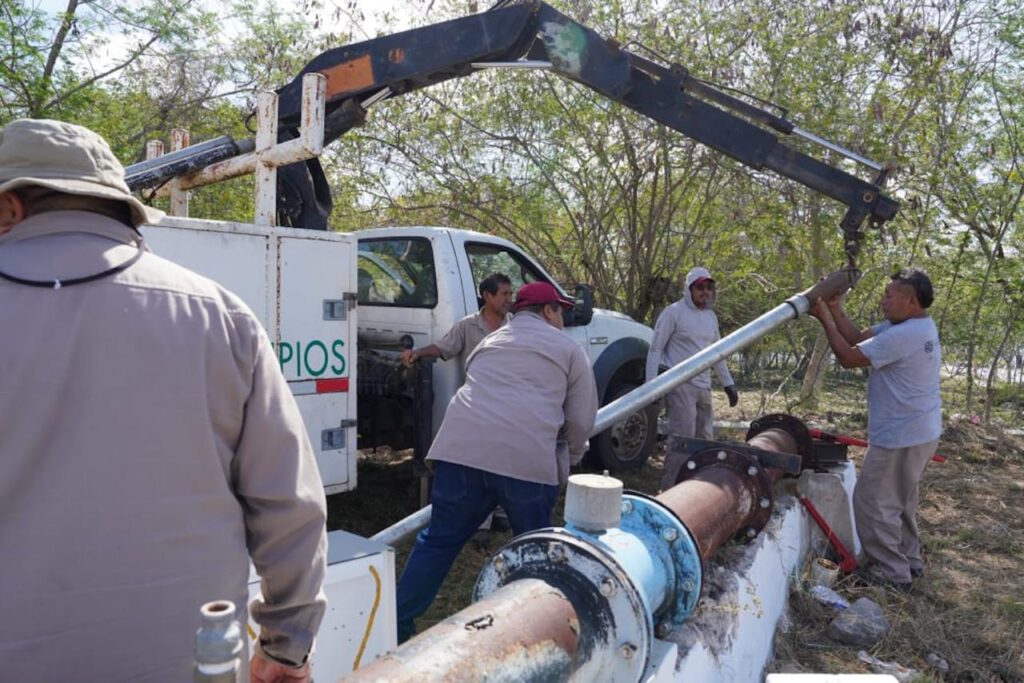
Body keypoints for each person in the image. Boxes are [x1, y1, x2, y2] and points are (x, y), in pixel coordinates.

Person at [0, 119, 327, 682]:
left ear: (9, 207)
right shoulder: (221, 316)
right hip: (192, 665)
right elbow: (289, 506)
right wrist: (285, 646)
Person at [394, 281, 599, 642]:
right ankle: (536, 633)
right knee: (532, 550)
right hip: (526, 460)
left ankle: (396, 621)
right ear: (548, 311)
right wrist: (571, 456)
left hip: (460, 454)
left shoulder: (489, 343)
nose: (563, 320)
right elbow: (582, 420)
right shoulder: (568, 349)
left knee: (438, 542)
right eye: (560, 311)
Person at [811, 268, 942, 591]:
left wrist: (823, 317)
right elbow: (859, 339)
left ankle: (890, 573)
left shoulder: (904, 334)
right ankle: (909, 561)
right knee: (900, 501)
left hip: (901, 435)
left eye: (889, 295)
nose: (883, 301)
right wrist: (835, 309)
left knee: (872, 502)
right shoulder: (911, 325)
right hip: (918, 430)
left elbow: (848, 357)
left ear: (911, 301)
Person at [646, 266, 739, 490]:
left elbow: (718, 352)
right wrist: (651, 388)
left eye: (709, 287)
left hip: (703, 385)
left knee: (705, 438)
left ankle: (696, 488)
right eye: (700, 287)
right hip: (680, 384)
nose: (705, 292)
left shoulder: (710, 317)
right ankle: (669, 489)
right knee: (682, 439)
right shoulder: (673, 313)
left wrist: (728, 383)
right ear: (689, 289)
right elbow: (655, 349)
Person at [401, 272, 513, 374]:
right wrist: (417, 353)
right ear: (487, 296)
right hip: (477, 389)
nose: (509, 300)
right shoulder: (467, 325)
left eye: (510, 294)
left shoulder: (515, 325)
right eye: (504, 294)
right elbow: (441, 348)